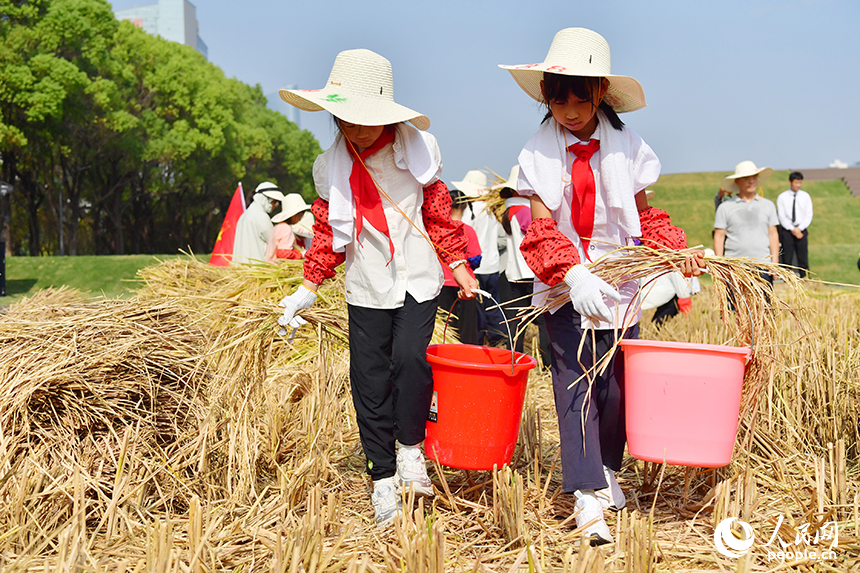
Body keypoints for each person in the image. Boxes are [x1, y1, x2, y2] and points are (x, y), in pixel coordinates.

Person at [499, 27, 704, 545]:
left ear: (601, 92)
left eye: (580, 97)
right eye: (557, 97)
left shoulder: (628, 146)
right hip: (567, 286)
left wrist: (676, 252)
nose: (569, 110)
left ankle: (608, 465)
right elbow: (539, 226)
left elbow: (643, 215)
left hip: (619, 283)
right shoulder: (538, 152)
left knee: (615, 390)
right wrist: (572, 273)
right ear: (545, 95)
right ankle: (587, 496)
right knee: (575, 384)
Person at [275, 49, 476, 527]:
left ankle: (410, 450)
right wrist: (307, 287)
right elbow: (327, 234)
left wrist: (460, 266)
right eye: (344, 118)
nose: (355, 128)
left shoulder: (418, 151)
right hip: (366, 282)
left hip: (418, 277)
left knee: (409, 360)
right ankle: (382, 477)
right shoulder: (329, 167)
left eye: (365, 118)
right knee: (369, 379)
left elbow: (437, 214)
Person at [495, 165, 550, 365]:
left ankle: (513, 364)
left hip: (512, 274)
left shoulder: (507, 211)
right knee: (545, 324)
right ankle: (547, 366)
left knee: (514, 327)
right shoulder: (525, 211)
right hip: (533, 275)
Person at [453, 170, 507, 347]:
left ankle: (478, 342)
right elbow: (501, 238)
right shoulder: (492, 210)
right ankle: (498, 340)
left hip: (473, 269)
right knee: (493, 307)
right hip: (493, 265)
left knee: (476, 311)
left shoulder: (468, 210)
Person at [714, 161, 779, 284]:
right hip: (734, 267)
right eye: (746, 178)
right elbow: (719, 235)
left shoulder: (768, 205)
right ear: (737, 181)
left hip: (762, 265)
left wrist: (774, 262)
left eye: (754, 178)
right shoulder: (725, 207)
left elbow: (773, 234)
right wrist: (719, 263)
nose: (751, 181)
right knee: (735, 303)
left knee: (763, 303)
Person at [438, 188, 481, 345]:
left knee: (445, 327)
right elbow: (476, 259)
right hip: (466, 285)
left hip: (442, 283)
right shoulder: (467, 230)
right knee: (467, 328)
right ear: (464, 207)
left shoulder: (440, 230)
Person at [233, 182, 285, 265]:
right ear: (265, 199)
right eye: (274, 201)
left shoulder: (244, 215)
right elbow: (274, 243)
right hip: (256, 268)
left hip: (241, 268)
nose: (276, 205)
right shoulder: (261, 217)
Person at [776, 171, 812, 278]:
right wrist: (792, 229)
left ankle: (805, 277)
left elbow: (808, 214)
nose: (798, 185)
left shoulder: (805, 196)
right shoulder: (782, 197)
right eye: (796, 182)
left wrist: (799, 229)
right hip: (787, 230)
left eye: (800, 183)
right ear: (790, 182)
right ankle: (787, 278)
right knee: (787, 256)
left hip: (801, 230)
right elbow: (781, 216)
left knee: (803, 256)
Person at [265, 193, 312, 263]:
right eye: (301, 214)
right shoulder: (286, 229)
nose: (301, 218)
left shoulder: (278, 226)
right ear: (294, 214)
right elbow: (283, 253)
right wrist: (300, 254)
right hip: (277, 267)